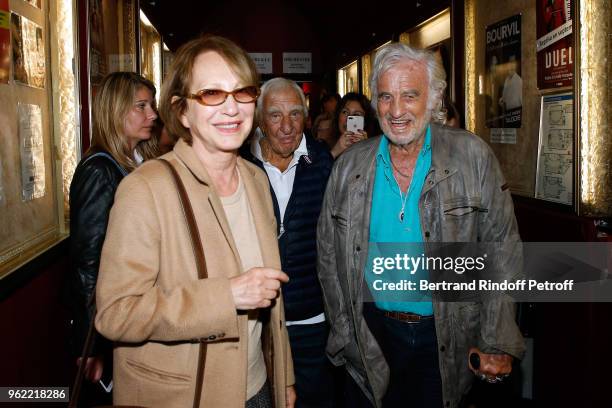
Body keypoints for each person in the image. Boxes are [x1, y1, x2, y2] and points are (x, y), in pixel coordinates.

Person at [317, 42, 524, 408]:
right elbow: (328, 256)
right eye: (385, 97)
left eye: (409, 95)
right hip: (370, 335)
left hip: (445, 335)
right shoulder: (348, 167)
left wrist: (496, 338)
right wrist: (344, 331)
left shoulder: (472, 157)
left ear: (434, 98)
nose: (396, 111)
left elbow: (501, 247)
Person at [94, 35, 295, 408]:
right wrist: (227, 296)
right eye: (212, 94)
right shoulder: (146, 188)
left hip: (258, 387)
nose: (232, 108)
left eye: (242, 92)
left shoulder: (255, 180)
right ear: (182, 111)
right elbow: (115, 313)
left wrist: (284, 378)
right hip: (187, 395)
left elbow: (271, 300)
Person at [242, 77, 335, 407]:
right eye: (275, 115)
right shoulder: (238, 165)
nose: (286, 126)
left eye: (295, 114)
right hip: (256, 324)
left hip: (312, 321)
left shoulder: (324, 163)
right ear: (259, 119)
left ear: (307, 118)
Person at [67, 71, 159, 406]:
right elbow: (87, 264)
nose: (152, 114)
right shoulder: (99, 170)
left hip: (136, 311)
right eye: (142, 106)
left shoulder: (139, 163)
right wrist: (90, 345)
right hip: (110, 322)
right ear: (117, 110)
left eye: (152, 105)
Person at [330, 92, 376, 158]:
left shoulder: (376, 149)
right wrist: (334, 152)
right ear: (338, 116)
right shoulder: (323, 148)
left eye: (357, 114)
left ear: (365, 122)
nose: (349, 119)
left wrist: (365, 150)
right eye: (345, 112)